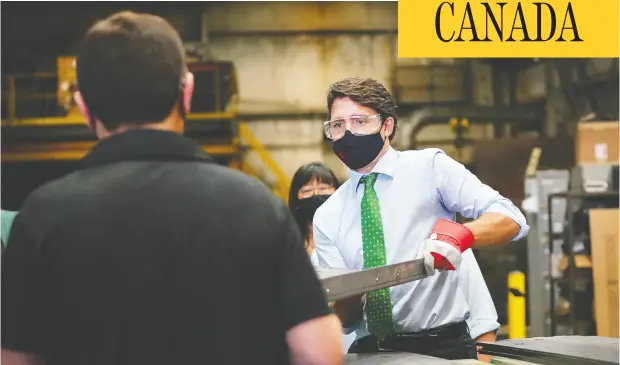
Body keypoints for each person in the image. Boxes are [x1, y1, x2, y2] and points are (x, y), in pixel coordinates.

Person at [1, 12, 343, 365]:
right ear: (188, 92)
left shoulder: (41, 218)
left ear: (83, 106)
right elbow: (319, 352)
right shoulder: (257, 206)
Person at [313, 77, 529, 360]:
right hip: (372, 352)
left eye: (359, 122)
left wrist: (460, 236)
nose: (348, 133)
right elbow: (349, 320)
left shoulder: (430, 168)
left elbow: (511, 218)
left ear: (386, 126)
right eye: (338, 125)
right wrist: (351, 291)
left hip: (442, 348)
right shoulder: (327, 216)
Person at [290, 162, 501, 361]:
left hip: (440, 350)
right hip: (365, 354)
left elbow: (482, 318)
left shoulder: (440, 242)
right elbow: (341, 322)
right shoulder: (333, 252)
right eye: (307, 190)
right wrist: (356, 288)